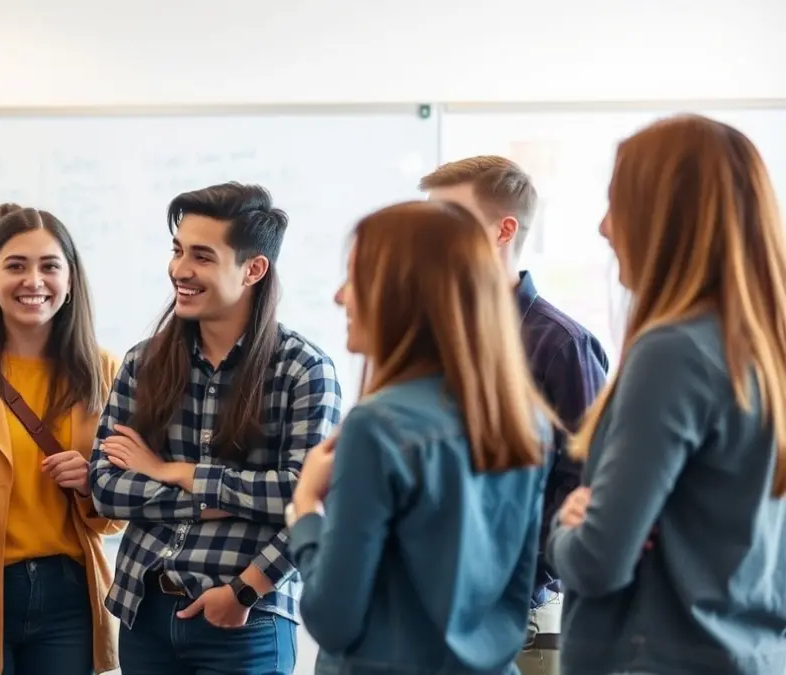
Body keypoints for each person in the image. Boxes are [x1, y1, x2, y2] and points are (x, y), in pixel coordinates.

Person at [548, 114, 786, 675]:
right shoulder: (762, 352)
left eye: (617, 204)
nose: (605, 228)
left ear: (666, 217)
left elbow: (597, 562)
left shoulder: (673, 353)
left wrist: (565, 527)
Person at [288, 200, 552, 675]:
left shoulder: (377, 427)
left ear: (403, 294)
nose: (339, 297)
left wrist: (306, 509)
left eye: (355, 278)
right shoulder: (526, 420)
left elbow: (332, 619)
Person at [89, 182, 342, 675]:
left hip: (244, 616)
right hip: (146, 613)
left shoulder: (304, 370)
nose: (180, 270)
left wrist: (174, 471)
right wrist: (217, 502)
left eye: (202, 256)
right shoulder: (145, 362)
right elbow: (106, 488)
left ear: (253, 269)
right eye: (178, 250)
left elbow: (304, 497)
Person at [421, 155, 609, 674]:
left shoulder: (560, 343)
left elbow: (584, 483)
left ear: (504, 230)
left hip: (517, 610)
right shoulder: (432, 335)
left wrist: (513, 587)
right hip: (434, 606)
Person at [0, 203, 124, 675]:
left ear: (70, 279)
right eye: (16, 266)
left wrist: (91, 483)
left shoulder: (103, 371)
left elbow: (115, 518)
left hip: (68, 593)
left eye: (49, 266)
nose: (33, 281)